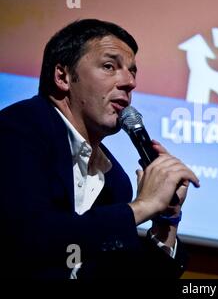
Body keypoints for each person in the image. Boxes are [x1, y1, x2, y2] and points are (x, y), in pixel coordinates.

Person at [0, 19, 200, 279]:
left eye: (132, 72)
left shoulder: (115, 181)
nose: (130, 83)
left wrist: (166, 220)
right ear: (63, 77)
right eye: (109, 66)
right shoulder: (16, 130)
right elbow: (27, 241)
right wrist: (141, 206)